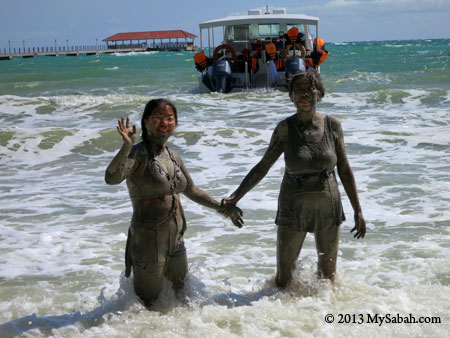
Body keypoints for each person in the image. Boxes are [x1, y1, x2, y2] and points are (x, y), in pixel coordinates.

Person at [223, 71, 366, 287]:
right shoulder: (284, 129)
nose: (304, 94)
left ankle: (323, 318)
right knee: (283, 279)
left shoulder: (333, 126)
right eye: (298, 90)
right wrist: (235, 196)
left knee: (327, 278)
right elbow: (263, 166)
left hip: (328, 205)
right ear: (291, 96)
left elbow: (344, 168)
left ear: (320, 94)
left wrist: (358, 210)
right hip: (293, 205)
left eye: (309, 89)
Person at [105, 98, 243, 306]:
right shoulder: (139, 153)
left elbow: (192, 190)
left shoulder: (173, 156)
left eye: (169, 118)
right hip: (148, 241)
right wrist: (126, 147)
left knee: (182, 299)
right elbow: (112, 178)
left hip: (177, 240)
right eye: (157, 118)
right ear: (145, 121)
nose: (164, 122)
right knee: (146, 305)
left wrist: (223, 208)